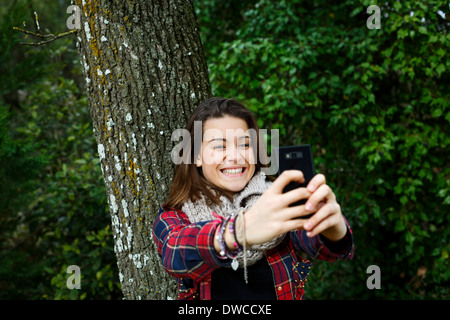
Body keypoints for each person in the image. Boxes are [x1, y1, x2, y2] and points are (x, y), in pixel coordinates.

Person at [152, 97, 354, 300]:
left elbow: (321, 248)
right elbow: (174, 254)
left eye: (245, 144)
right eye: (220, 146)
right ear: (196, 156)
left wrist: (333, 230)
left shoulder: (277, 199)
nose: (235, 156)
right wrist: (240, 231)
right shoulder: (175, 216)